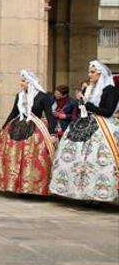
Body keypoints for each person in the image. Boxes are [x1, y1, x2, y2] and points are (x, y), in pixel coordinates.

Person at [49, 60, 119, 203]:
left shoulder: (110, 90)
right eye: (89, 72)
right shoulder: (89, 89)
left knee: (98, 159)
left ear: (100, 73)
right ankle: (80, 192)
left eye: (92, 72)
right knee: (78, 158)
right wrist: (82, 102)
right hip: (84, 123)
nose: (89, 75)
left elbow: (108, 111)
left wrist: (88, 104)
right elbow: (84, 109)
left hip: (103, 127)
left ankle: (99, 194)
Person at [0, 70, 56, 196]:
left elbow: (50, 115)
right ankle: (16, 185)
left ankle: (31, 186)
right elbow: (13, 112)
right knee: (15, 157)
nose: (20, 83)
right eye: (21, 80)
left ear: (30, 82)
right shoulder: (19, 95)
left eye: (23, 81)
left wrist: (52, 133)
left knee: (31, 158)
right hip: (17, 127)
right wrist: (4, 127)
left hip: (35, 129)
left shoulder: (42, 96)